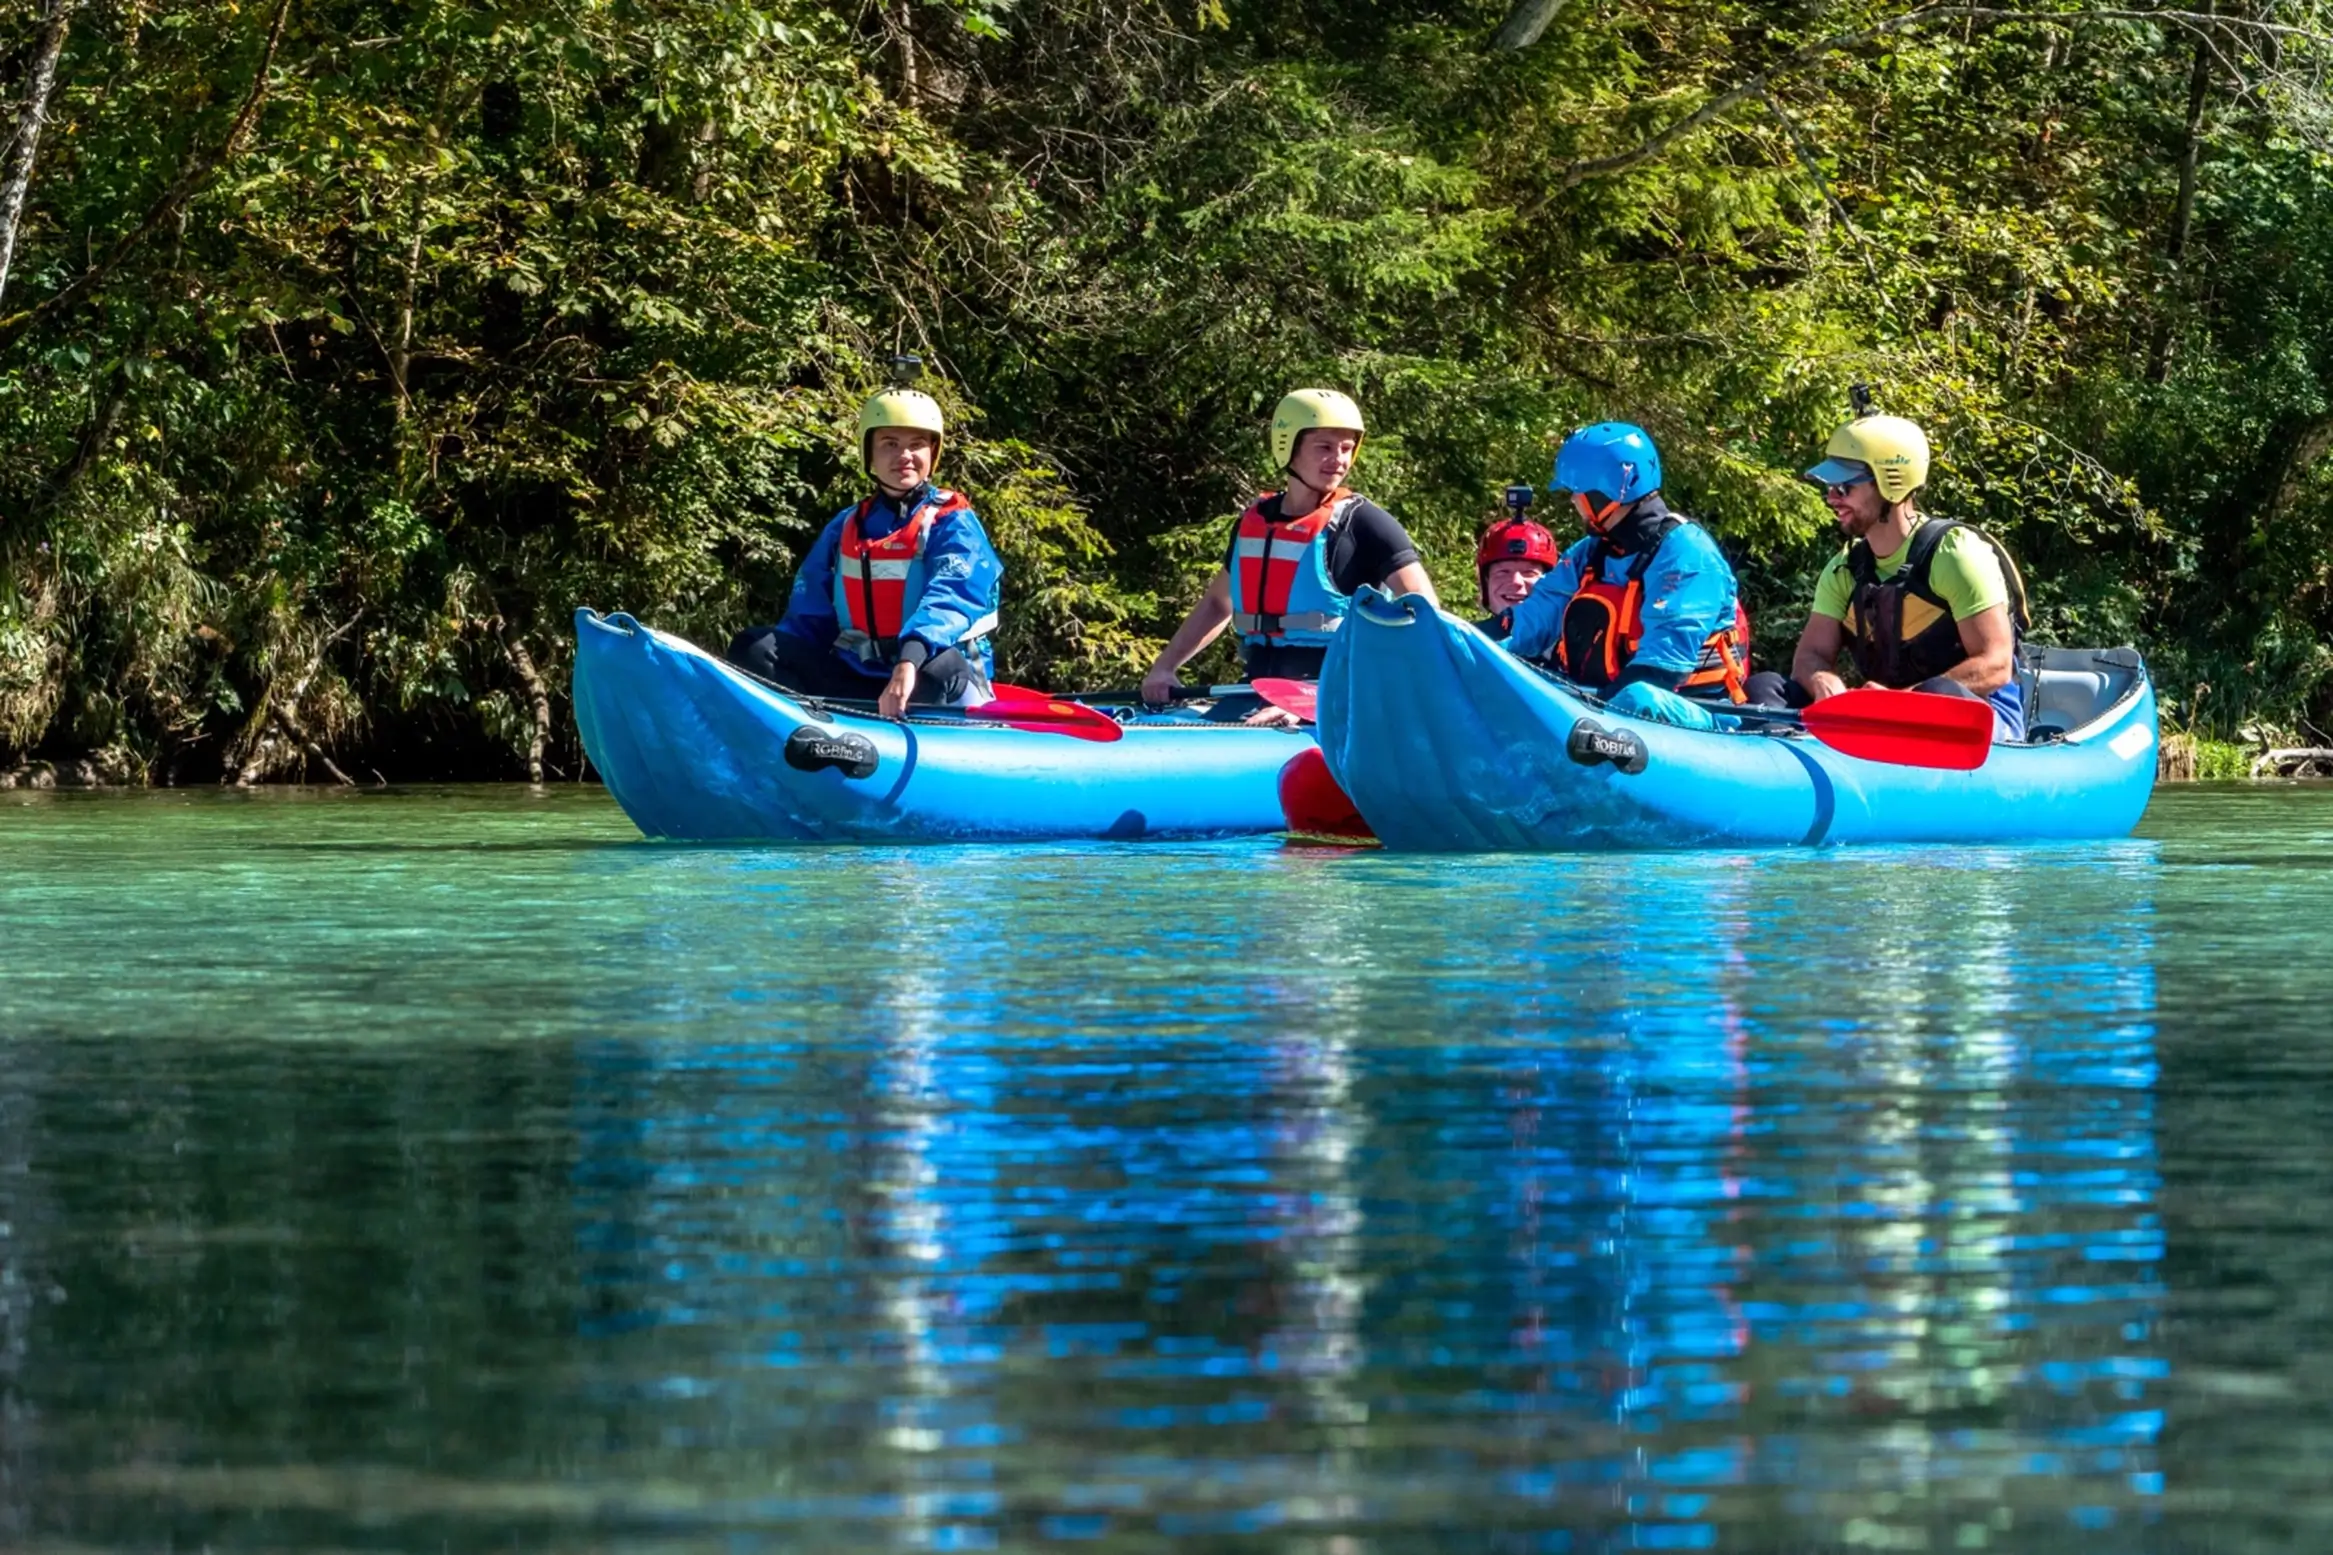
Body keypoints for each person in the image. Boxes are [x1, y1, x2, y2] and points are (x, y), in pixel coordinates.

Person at [1139, 389, 1438, 717]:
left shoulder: (1366, 524)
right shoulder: (1254, 522)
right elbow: (1216, 604)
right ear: (1288, 447)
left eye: (1347, 448)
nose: (1339, 460)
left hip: (1332, 696)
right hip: (1254, 688)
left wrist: (1317, 701)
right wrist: (1164, 667)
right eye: (1324, 447)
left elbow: (1426, 613)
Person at [728, 377, 1003, 717]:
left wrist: (909, 659)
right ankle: (802, 737)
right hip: (859, 677)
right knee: (757, 646)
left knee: (939, 663)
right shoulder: (846, 526)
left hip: (931, 676)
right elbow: (807, 614)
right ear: (869, 455)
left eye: (917, 445)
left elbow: (952, 600)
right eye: (889, 444)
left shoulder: (953, 522)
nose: (905, 456)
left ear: (932, 453)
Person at [1746, 412, 2029, 740]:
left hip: (1979, 718)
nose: (1832, 497)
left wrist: (1900, 701)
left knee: (1940, 692)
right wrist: (1823, 679)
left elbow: (1996, 665)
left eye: (1844, 486)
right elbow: (1811, 656)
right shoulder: (1845, 568)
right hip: (1888, 721)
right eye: (1830, 486)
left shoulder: (1956, 555)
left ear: (1890, 483)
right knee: (1766, 686)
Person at [1504, 422, 1750, 729]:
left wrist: (1587, 711)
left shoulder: (1688, 554)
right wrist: (1469, 639)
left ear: (1608, 493)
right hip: (1604, 709)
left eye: (1578, 493)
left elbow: (1659, 669)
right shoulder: (1591, 552)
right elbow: (1534, 618)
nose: (1573, 501)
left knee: (1638, 697)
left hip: (1693, 716)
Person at [1474, 501, 1562, 641]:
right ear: (1486, 582)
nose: (1516, 582)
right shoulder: (1465, 642)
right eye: (1503, 572)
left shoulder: (1572, 648)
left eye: (1529, 573)